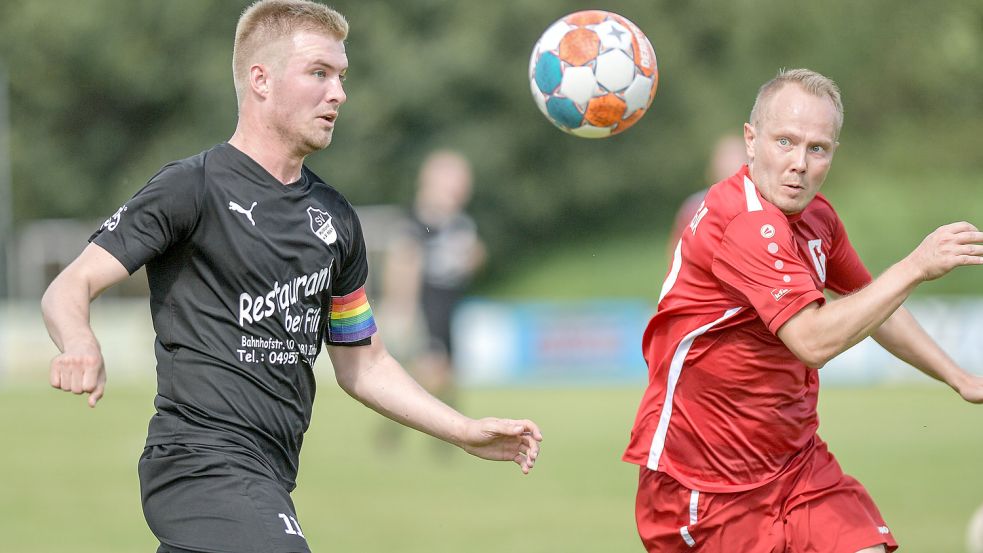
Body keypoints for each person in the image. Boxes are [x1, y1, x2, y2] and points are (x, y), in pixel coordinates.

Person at [40, 2, 541, 552]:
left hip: (271, 473)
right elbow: (70, 286)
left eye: (342, 77)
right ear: (261, 79)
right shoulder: (192, 188)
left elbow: (363, 362)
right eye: (319, 73)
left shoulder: (336, 221)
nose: (339, 94)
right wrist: (80, 341)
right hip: (199, 464)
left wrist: (463, 431)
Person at [623, 68, 983, 552]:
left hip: (795, 465)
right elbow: (813, 341)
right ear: (751, 141)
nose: (799, 163)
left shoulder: (817, 218)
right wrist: (916, 265)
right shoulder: (744, 223)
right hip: (705, 486)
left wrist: (959, 378)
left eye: (817, 149)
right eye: (785, 142)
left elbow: (874, 304)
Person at [380, 149, 486, 410]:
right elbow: (403, 263)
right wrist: (401, 305)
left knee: (445, 373)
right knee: (432, 369)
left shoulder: (459, 223)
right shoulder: (418, 221)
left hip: (450, 305)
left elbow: (474, 257)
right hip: (427, 306)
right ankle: (414, 416)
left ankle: (413, 419)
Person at [665, 134, 746, 259]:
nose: (729, 165)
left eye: (736, 157)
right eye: (725, 159)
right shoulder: (693, 207)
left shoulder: (763, 205)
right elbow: (678, 254)